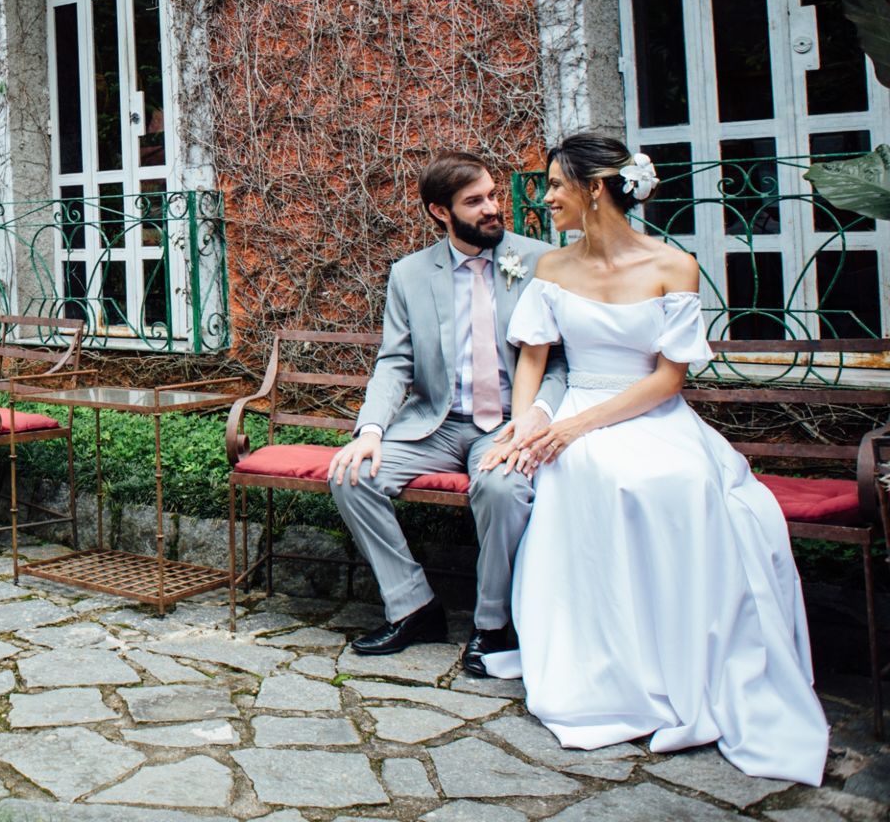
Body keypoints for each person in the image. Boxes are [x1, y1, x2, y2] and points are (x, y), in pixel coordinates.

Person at [479, 133, 827, 784]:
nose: (546, 197)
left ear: (595, 189)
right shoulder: (552, 268)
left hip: (646, 412)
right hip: (575, 409)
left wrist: (575, 426)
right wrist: (526, 424)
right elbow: (532, 358)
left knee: (674, 481)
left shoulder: (674, 265)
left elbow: (669, 379)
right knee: (589, 472)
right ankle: (603, 660)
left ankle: (675, 658)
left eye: (555, 185)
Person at [329, 152, 567, 676]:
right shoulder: (410, 274)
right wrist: (371, 430)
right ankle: (413, 607)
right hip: (434, 424)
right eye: (475, 201)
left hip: (506, 424)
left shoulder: (541, 261)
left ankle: (493, 624)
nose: (492, 208)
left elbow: (560, 362)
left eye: (492, 195)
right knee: (350, 475)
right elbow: (395, 362)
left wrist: (536, 415)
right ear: (441, 211)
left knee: (503, 489)